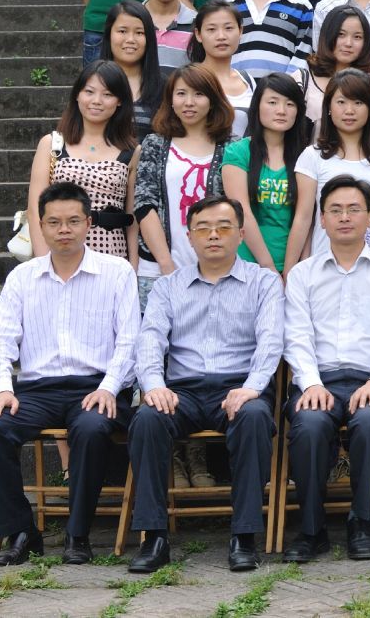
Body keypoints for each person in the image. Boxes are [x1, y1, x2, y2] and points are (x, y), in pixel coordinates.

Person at [0, 183, 139, 567]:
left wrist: (110, 387)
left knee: (92, 427)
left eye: (73, 221)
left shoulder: (116, 272)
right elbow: (0, 342)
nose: (64, 229)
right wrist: (2, 389)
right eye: (54, 222)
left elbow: (130, 341)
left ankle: (77, 535)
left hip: (97, 386)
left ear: (89, 223)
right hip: (37, 390)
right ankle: (21, 532)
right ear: (41, 226)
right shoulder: (23, 277)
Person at [124, 194, 283, 574]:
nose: (214, 235)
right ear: (190, 237)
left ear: (241, 234)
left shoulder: (263, 282)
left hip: (240, 386)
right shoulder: (168, 286)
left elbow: (271, 340)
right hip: (184, 390)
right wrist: (153, 385)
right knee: (147, 419)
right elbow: (150, 339)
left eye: (224, 228)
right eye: (204, 228)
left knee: (254, 417)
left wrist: (252, 387)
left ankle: (244, 536)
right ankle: (153, 537)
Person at [280, 174, 370, 564]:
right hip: (318, 380)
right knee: (309, 425)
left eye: (354, 209)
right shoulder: (303, 274)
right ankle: (312, 530)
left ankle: (362, 523)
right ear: (322, 219)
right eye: (335, 210)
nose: (345, 217)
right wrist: (310, 383)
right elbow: (296, 337)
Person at [131, 65, 235, 295]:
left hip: (216, 271)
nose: (189, 102)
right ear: (170, 100)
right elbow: (144, 205)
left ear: (213, 100)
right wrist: (167, 266)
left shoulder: (231, 148)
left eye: (198, 94)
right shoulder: (155, 144)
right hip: (157, 270)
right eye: (181, 94)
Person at [25, 64, 138, 259]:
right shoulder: (52, 144)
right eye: (89, 92)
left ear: (120, 100)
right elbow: (35, 211)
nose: (97, 101)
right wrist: (45, 262)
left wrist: (132, 266)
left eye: (107, 94)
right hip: (59, 252)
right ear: (77, 95)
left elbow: (132, 220)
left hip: (111, 254)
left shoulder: (132, 151)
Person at [291, 70, 370, 265]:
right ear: (329, 107)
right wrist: (291, 269)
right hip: (326, 263)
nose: (349, 110)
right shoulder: (312, 156)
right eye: (341, 102)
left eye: (358, 102)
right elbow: (303, 218)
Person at [220, 73, 309, 272]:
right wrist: (268, 267)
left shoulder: (306, 156)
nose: (281, 111)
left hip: (293, 267)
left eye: (290, 104)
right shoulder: (238, 152)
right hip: (246, 267)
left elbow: (305, 219)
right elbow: (242, 213)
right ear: (257, 106)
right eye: (272, 102)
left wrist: (293, 270)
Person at [189, 0, 257, 137]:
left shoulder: (247, 80)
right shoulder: (190, 79)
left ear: (240, 31)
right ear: (198, 34)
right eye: (211, 29)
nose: (221, 36)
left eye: (228, 28)